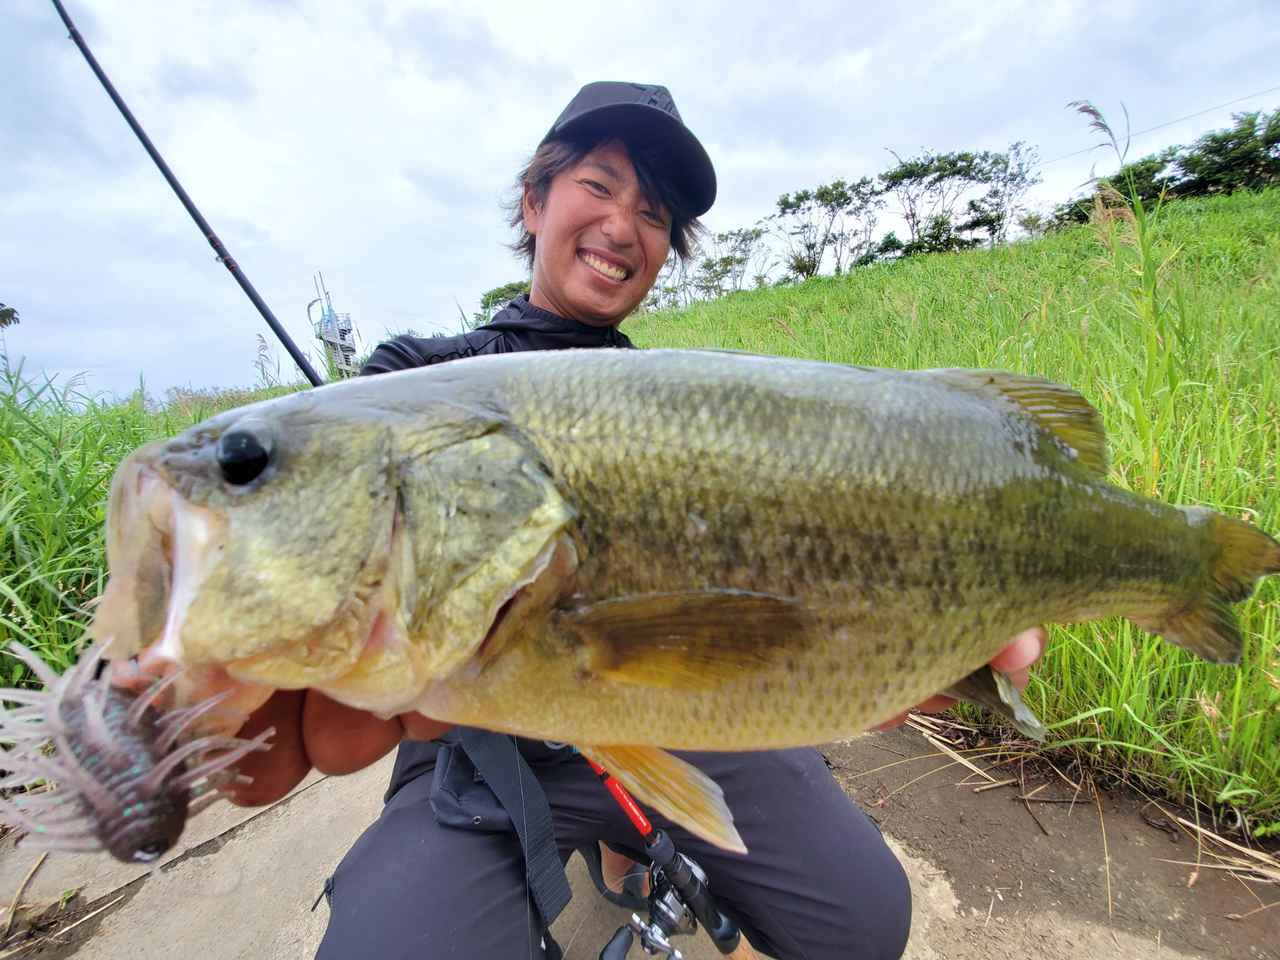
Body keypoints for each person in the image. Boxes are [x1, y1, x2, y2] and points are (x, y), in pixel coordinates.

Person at [228, 82, 1047, 960]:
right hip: (480, 740)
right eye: (599, 184)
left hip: (679, 713)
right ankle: (606, 835)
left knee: (864, 923)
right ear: (534, 200)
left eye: (654, 213)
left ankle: (635, 832)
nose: (625, 224)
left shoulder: (688, 400)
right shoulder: (411, 381)